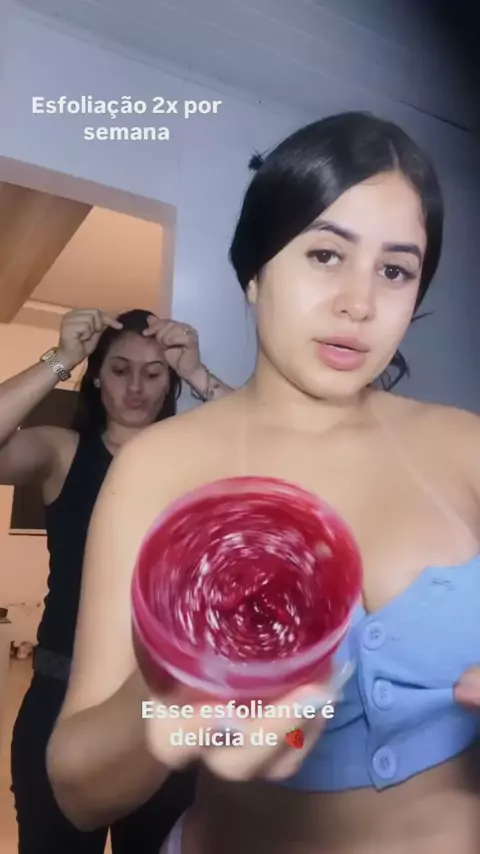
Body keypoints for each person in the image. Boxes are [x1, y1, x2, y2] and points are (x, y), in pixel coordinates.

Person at [47, 112, 480, 854]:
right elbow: (79, 792)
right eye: (325, 254)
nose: (359, 302)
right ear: (254, 271)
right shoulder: (161, 465)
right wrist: (170, 693)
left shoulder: (466, 445)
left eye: (395, 270)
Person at [0, 307, 232, 854]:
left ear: (169, 382)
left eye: (153, 373)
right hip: (61, 697)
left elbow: (283, 456)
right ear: (97, 376)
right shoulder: (63, 452)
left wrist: (198, 374)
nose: (135, 387)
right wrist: (61, 358)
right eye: (120, 369)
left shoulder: (197, 461)